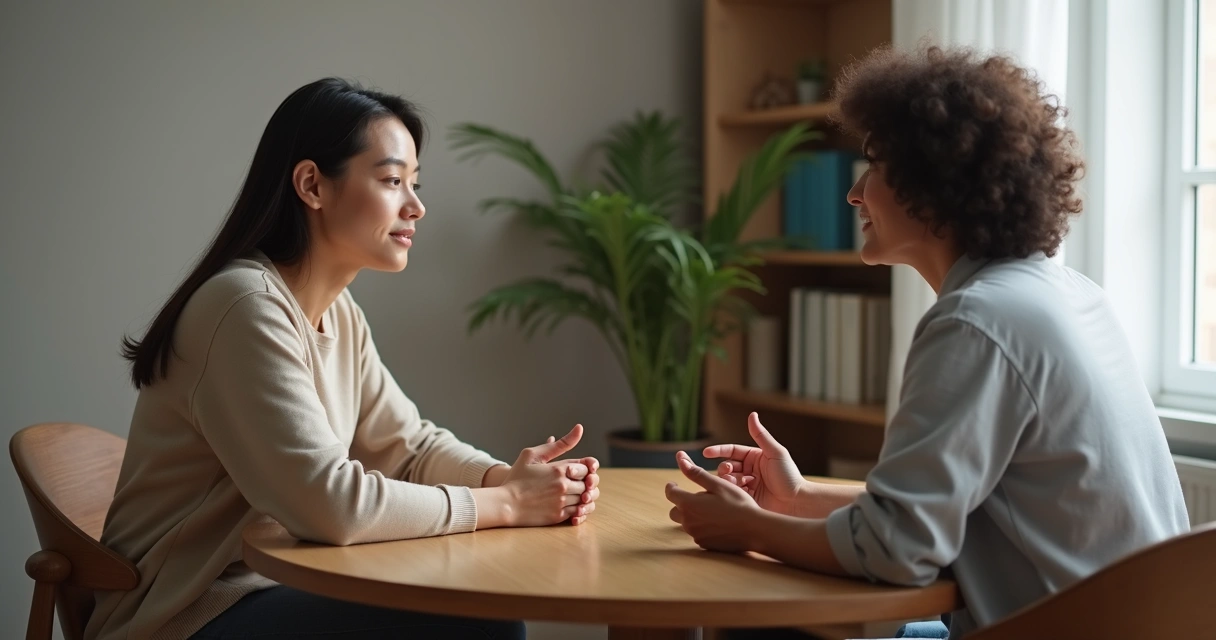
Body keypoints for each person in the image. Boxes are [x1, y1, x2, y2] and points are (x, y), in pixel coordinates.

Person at [664, 46, 1190, 639]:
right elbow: (928, 521)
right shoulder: (1069, 294)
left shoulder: (977, 322)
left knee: (758, 630)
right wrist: (797, 497)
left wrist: (750, 529)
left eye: (874, 166)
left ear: (935, 184)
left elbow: (896, 552)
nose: (854, 193)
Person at [87, 77, 600, 640]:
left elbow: (408, 445)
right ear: (312, 185)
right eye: (391, 181)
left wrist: (505, 477)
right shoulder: (244, 307)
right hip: (185, 616)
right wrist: (503, 504)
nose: (417, 206)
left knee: (480, 612)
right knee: (482, 624)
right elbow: (328, 503)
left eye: (415, 183)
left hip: (274, 588)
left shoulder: (338, 312)